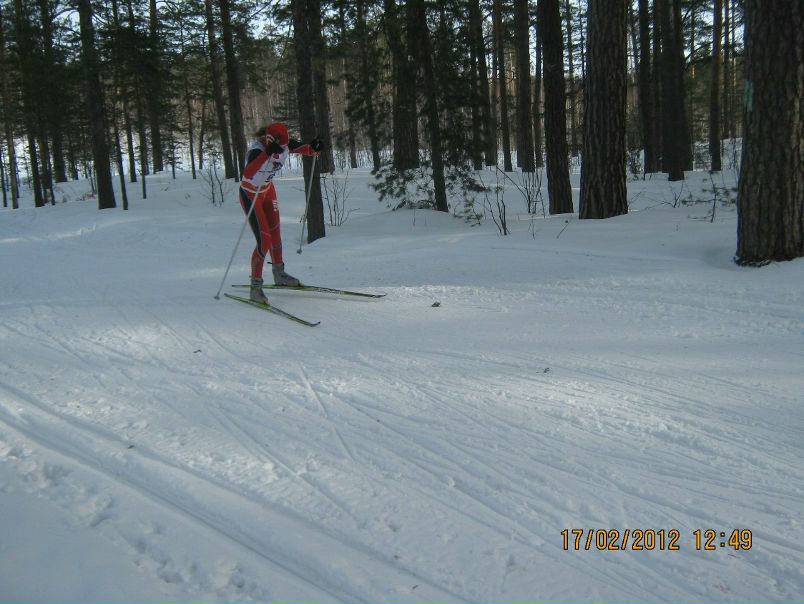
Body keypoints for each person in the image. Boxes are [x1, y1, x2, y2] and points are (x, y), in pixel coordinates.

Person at [239, 122, 322, 303]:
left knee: (275, 234)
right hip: (251, 194)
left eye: (285, 146)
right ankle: (255, 287)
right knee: (264, 240)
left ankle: (279, 274)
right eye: (280, 146)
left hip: (267, 191)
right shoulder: (257, 151)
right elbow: (248, 174)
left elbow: (304, 149)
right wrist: (267, 153)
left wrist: (314, 148)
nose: (283, 150)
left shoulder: (284, 144)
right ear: (270, 140)